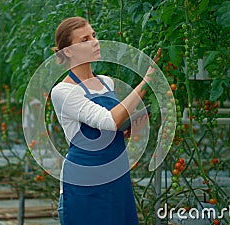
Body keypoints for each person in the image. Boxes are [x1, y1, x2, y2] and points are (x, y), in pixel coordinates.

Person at [50, 16, 155, 225]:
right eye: (84, 39)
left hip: (116, 173)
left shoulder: (107, 83)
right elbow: (109, 121)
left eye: (94, 35)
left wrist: (128, 129)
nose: (95, 41)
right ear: (68, 51)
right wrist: (147, 81)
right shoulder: (63, 91)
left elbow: (110, 129)